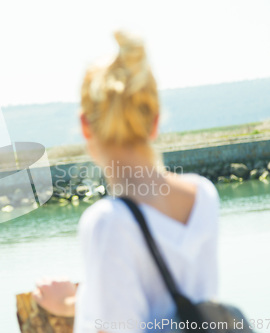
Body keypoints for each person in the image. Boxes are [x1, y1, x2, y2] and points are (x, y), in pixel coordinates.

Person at [32, 31, 220, 333]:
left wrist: (69, 305)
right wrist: (71, 305)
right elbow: (164, 307)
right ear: (155, 121)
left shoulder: (108, 222)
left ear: (85, 125)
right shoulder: (203, 195)